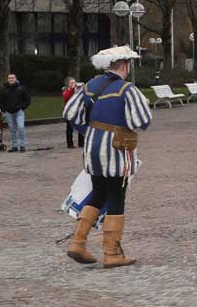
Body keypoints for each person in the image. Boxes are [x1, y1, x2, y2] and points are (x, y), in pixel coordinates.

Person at [63, 46, 153, 267]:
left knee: (98, 193)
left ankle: (78, 242)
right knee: (116, 198)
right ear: (124, 65)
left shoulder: (90, 85)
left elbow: (70, 113)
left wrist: (90, 130)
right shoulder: (127, 89)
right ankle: (112, 253)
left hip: (92, 149)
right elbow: (141, 120)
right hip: (116, 149)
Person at [0, 72, 30, 153]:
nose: (11, 79)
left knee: (21, 127)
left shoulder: (22, 88)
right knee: (12, 130)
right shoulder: (4, 89)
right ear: (8, 80)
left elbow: (27, 99)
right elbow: (0, 101)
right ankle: (14, 146)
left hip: (19, 112)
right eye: (9, 78)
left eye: (12, 78)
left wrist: (22, 108)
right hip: (8, 113)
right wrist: (4, 110)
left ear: (15, 79)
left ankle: (22, 145)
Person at [61, 77, 81, 148]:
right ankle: (70, 144)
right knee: (69, 128)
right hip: (69, 111)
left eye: (74, 82)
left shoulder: (77, 90)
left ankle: (81, 143)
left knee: (80, 125)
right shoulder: (66, 91)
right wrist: (72, 89)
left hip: (77, 110)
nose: (74, 84)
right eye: (72, 83)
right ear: (68, 84)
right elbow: (66, 97)